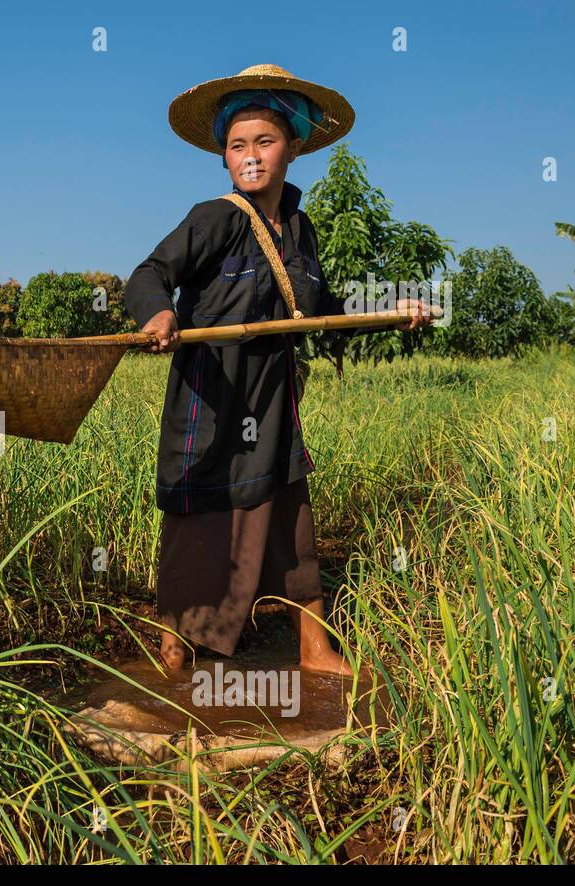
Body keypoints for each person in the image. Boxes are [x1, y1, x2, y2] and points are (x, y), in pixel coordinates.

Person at [124, 64, 434, 675]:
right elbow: (148, 275)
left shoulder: (299, 230)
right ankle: (174, 649)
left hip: (272, 403)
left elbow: (324, 313)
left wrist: (391, 314)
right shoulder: (214, 218)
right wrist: (158, 316)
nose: (251, 156)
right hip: (210, 400)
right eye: (238, 146)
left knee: (293, 518)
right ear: (224, 158)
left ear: (291, 149)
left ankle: (315, 648)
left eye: (264, 141)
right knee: (199, 515)